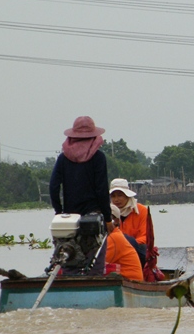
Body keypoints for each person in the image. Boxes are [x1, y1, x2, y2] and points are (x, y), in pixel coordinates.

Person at [49, 116, 113, 273]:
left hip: (69, 217)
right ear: (94, 137)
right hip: (93, 217)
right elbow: (101, 190)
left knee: (69, 259)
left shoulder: (63, 158)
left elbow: (53, 187)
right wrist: (108, 219)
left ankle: (70, 287)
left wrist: (59, 212)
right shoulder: (98, 157)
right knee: (95, 263)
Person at [109, 178, 150, 266]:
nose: (116, 199)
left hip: (137, 249)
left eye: (120, 195)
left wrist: (127, 244)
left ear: (127, 196)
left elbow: (146, 236)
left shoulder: (142, 211)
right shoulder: (108, 213)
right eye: (113, 196)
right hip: (114, 249)